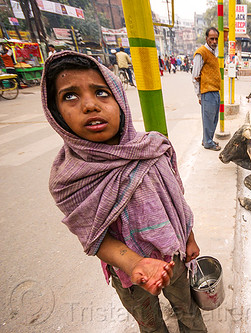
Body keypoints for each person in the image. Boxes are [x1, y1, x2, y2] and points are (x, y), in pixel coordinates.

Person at [41, 51, 207, 333]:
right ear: (56, 113)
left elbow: (177, 201)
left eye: (101, 92)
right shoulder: (68, 181)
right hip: (129, 275)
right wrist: (136, 264)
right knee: (150, 324)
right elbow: (94, 238)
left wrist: (189, 239)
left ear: (119, 101)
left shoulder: (155, 149)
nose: (90, 105)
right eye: (70, 96)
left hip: (175, 257)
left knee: (188, 311)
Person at [192, 27, 222, 151]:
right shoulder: (201, 52)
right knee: (208, 119)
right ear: (206, 39)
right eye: (212, 39)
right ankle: (208, 142)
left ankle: (207, 139)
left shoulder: (213, 52)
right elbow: (195, 76)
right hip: (207, 92)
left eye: (216, 39)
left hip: (215, 91)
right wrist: (199, 95)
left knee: (214, 118)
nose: (214, 41)